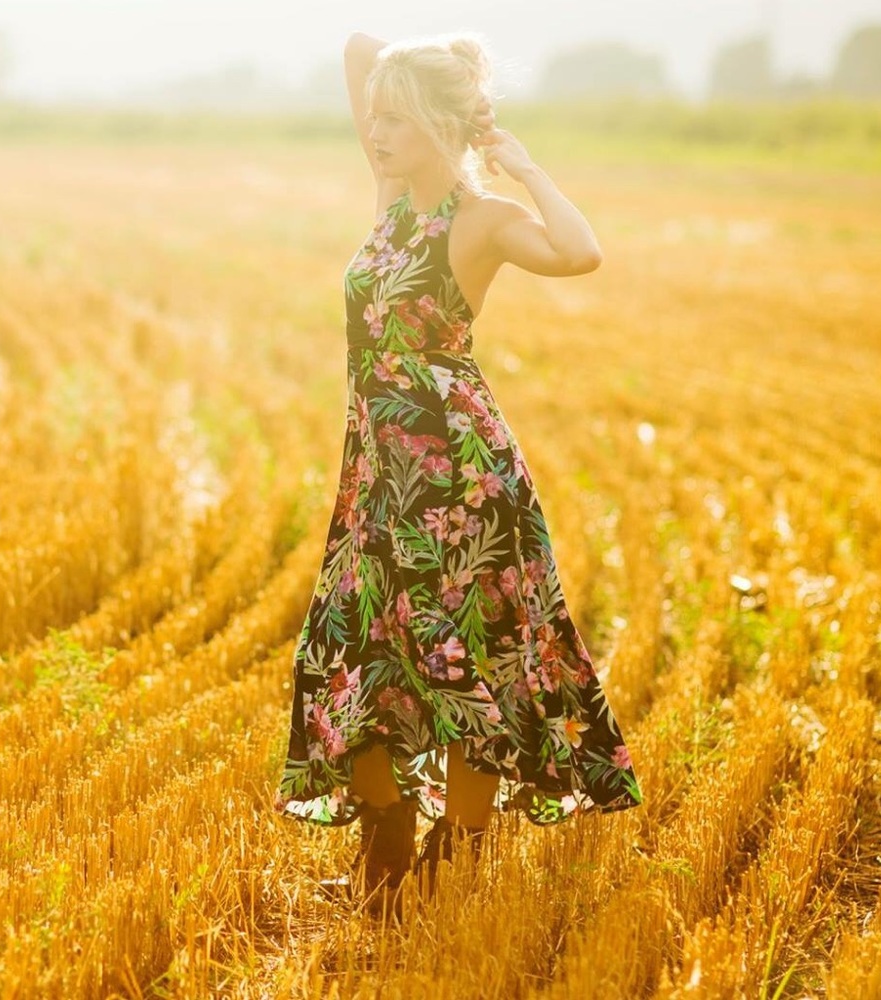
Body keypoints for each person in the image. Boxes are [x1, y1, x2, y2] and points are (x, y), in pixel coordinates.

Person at [274, 29, 641, 915]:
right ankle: (387, 837)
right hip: (377, 475)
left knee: (468, 659)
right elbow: (359, 49)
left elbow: (580, 252)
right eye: (375, 119)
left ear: (438, 128)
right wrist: (412, 77)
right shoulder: (393, 199)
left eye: (395, 121)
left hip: (460, 484)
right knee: (344, 654)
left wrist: (523, 165)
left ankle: (456, 859)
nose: (375, 133)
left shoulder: (481, 221)